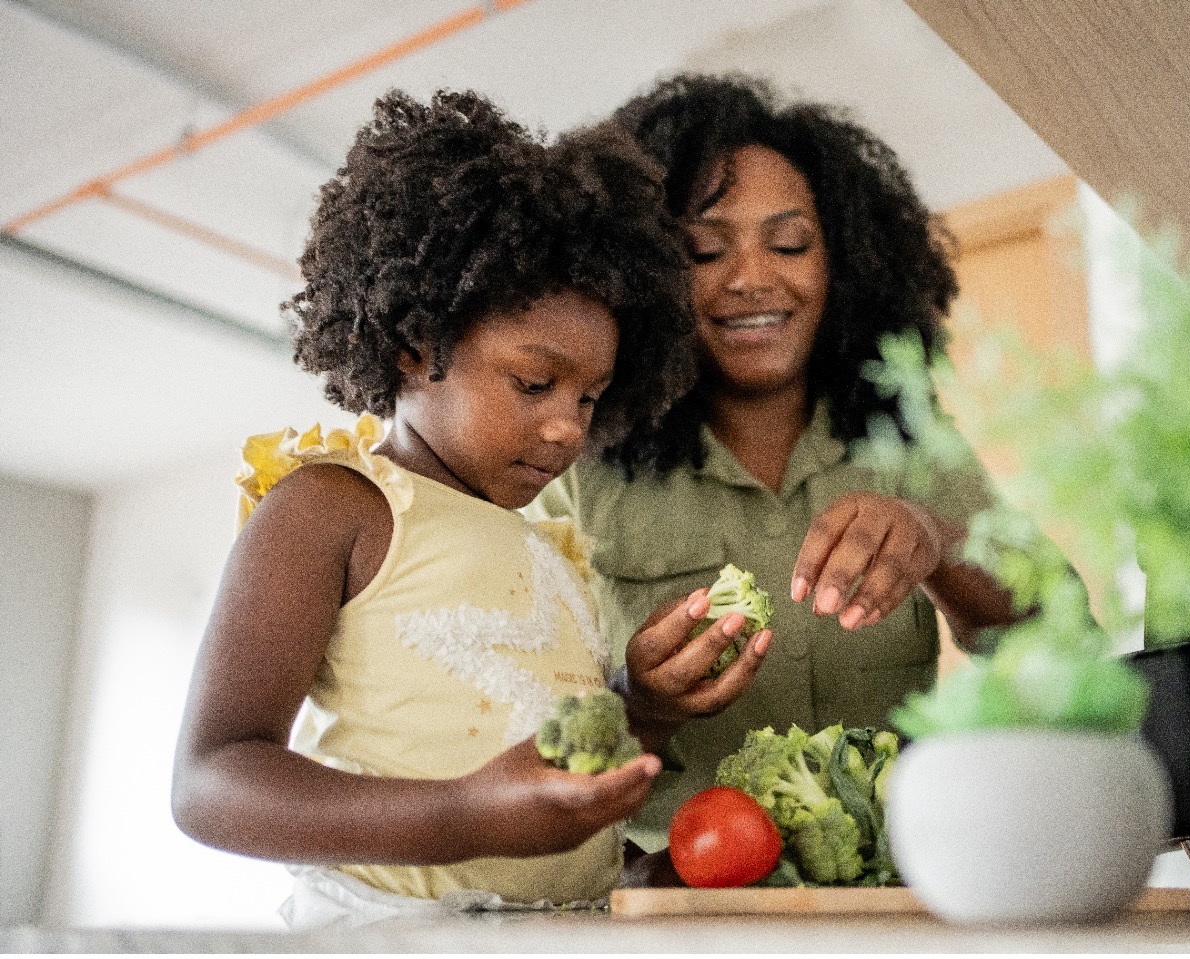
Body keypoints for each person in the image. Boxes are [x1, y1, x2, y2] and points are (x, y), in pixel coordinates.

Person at [170, 89, 770, 927]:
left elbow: (558, 781)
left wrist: (645, 703)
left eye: (592, 398)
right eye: (534, 382)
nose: (568, 427)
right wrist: (460, 813)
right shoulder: (333, 506)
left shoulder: (553, 548)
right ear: (418, 346)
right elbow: (210, 780)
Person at [529, 74, 1027, 860]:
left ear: (845, 263)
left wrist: (935, 539)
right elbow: (515, 742)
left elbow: (1056, 625)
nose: (753, 278)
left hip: (892, 892)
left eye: (789, 243)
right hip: (667, 897)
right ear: (645, 274)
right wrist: (642, 706)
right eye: (704, 250)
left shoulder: (907, 435)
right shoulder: (572, 460)